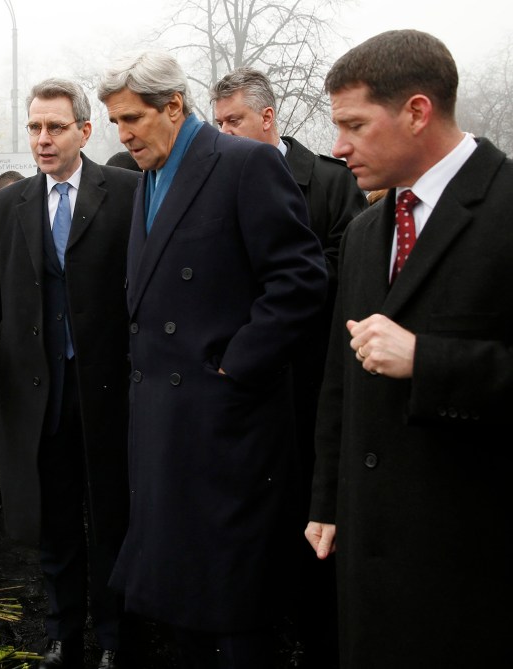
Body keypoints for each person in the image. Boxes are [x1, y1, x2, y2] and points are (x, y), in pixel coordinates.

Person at [97, 51, 326, 668]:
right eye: (115, 122)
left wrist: (236, 364)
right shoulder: (148, 177)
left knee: (233, 604)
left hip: (226, 428)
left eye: (132, 120)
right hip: (166, 427)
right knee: (182, 601)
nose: (123, 136)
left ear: (174, 106)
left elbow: (301, 280)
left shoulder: (243, 164)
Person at [305, 30, 513, 669]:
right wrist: (328, 504)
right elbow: (340, 379)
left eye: (355, 125)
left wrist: (429, 360)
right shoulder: (367, 231)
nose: (337, 148)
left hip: (473, 559)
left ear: (417, 111)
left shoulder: (505, 208)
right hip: (369, 552)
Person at [0, 78, 138, 669]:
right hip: (38, 396)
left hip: (111, 391)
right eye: (35, 126)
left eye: (55, 126)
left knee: (113, 517)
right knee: (55, 522)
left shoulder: (129, 192)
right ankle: (63, 632)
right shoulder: (9, 207)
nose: (42, 138)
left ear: (86, 131)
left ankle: (115, 637)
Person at [210, 66, 368, 666]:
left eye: (234, 121)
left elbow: (337, 267)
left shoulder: (326, 182)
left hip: (308, 376)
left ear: (267, 117)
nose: (224, 133)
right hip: (245, 379)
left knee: (313, 506)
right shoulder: (215, 182)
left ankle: (316, 627)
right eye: (218, 122)